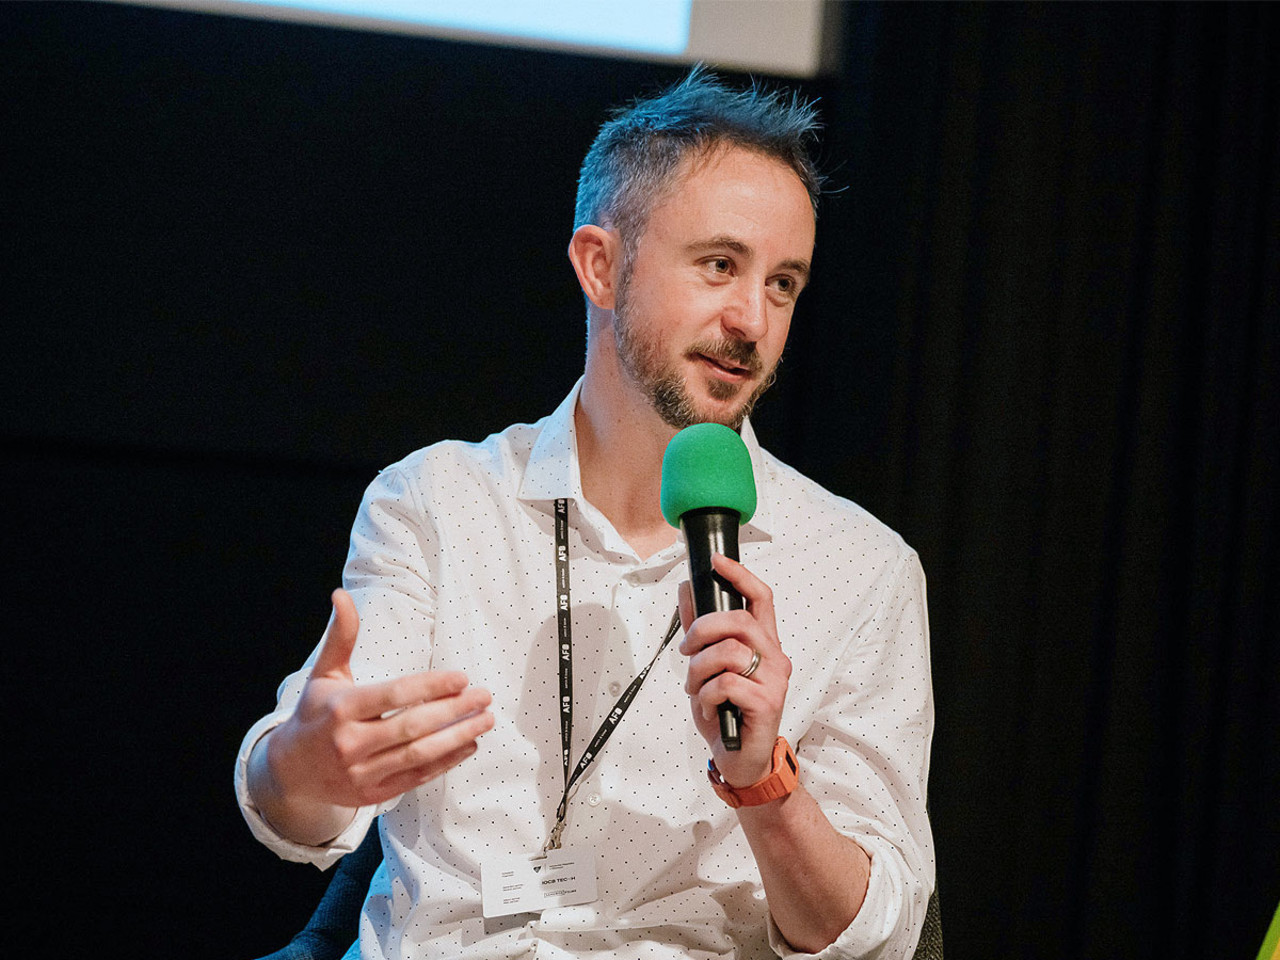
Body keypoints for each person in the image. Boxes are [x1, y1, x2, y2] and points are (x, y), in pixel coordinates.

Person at [236, 67, 935, 960]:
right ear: (601, 266)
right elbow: (305, 805)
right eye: (720, 265)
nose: (752, 321)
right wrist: (302, 766)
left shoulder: (862, 569)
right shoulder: (441, 502)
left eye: (783, 284)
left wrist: (765, 782)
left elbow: (880, 936)